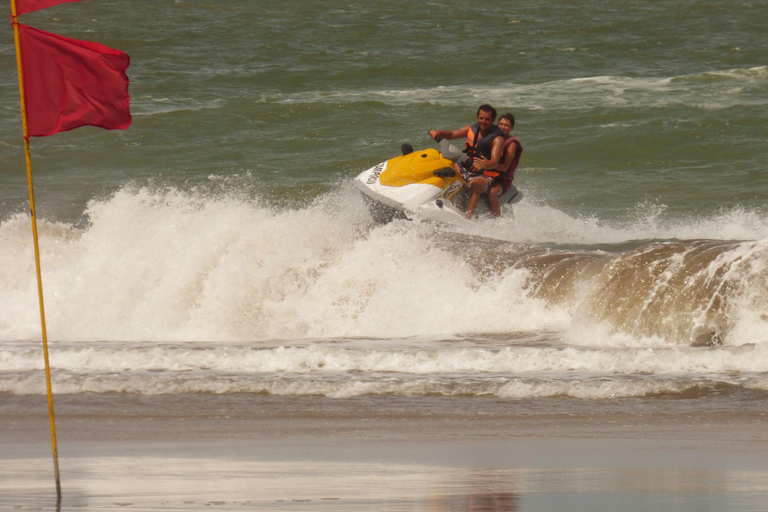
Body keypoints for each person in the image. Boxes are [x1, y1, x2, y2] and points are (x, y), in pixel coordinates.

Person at [428, 104, 505, 219]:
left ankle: (468, 218)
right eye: (481, 118)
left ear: (493, 120)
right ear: (477, 117)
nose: (483, 121)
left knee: (476, 186)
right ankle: (435, 201)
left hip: (485, 174)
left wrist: (483, 164)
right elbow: (452, 134)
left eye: (487, 119)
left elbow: (494, 162)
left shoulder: (497, 139)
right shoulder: (471, 129)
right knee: (445, 168)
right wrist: (439, 133)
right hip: (467, 166)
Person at [477, 113, 523, 217]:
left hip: (503, 180)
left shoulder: (512, 144)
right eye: (501, 124)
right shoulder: (492, 138)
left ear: (512, 128)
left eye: (506, 125)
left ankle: (496, 219)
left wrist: (486, 164)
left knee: (492, 192)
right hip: (489, 174)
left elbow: (504, 167)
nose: (502, 127)